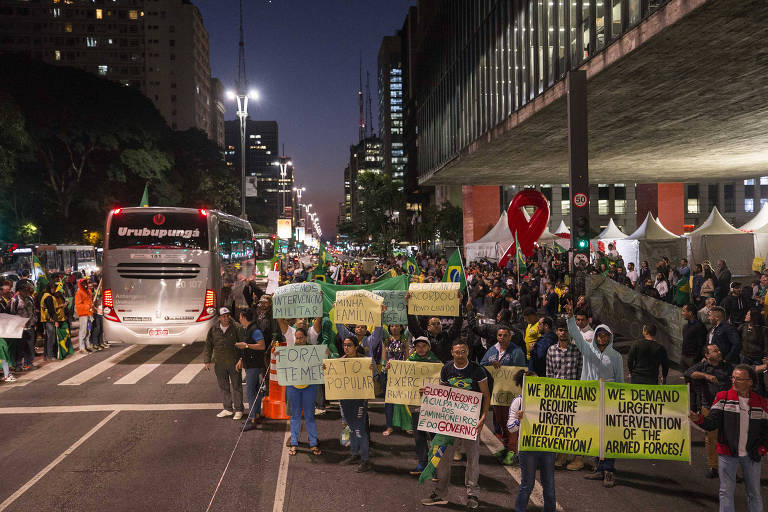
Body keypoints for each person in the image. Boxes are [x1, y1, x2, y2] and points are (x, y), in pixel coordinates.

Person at [421, 339, 490, 510]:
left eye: (463, 352)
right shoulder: (447, 369)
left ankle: (472, 493)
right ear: (452, 352)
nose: (460, 355)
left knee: (473, 459)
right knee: (444, 458)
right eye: (457, 352)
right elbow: (442, 394)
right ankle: (440, 493)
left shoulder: (477, 370)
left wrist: (482, 418)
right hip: (450, 422)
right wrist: (428, 394)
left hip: (470, 422)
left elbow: (486, 396)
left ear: (467, 352)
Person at [690, 365, 768, 512]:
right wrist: (698, 419)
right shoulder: (723, 397)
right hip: (727, 454)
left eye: (738, 379)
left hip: (751, 455)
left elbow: (766, 430)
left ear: (750, 382)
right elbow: (711, 423)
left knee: (754, 493)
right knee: (726, 492)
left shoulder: (761, 402)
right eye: (733, 377)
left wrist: (762, 448)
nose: (734, 381)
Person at [564, 299, 623, 487]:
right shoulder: (589, 351)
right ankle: (598, 467)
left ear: (610, 337)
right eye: (600, 336)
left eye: (605, 336)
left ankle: (608, 471)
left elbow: (620, 380)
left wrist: (619, 401)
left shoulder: (616, 356)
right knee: (595, 434)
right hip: (591, 398)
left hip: (609, 400)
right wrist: (571, 318)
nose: (602, 339)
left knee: (609, 436)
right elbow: (577, 335)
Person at [508, 369, 556, 512]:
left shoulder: (549, 399)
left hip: (547, 448)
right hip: (528, 450)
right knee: (527, 485)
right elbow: (511, 428)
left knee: (549, 486)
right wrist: (519, 420)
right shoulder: (518, 402)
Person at [684, 344, 734, 478]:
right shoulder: (703, 366)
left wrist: (764, 367)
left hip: (727, 407)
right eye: (715, 351)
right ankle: (714, 467)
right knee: (711, 439)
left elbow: (746, 370)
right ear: (707, 355)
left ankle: (729, 468)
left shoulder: (727, 366)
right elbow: (688, 373)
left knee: (728, 439)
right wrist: (706, 376)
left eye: (719, 350)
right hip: (709, 407)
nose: (719, 352)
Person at [480, 324, 525, 466]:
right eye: (500, 335)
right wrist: (490, 363)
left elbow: (520, 372)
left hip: (511, 393)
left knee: (511, 421)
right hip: (497, 391)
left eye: (505, 335)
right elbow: (482, 364)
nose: (502, 338)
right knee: (500, 420)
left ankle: (513, 451)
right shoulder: (492, 350)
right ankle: (506, 448)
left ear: (510, 337)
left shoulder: (516, 351)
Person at [546, 317, 584, 471]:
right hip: (557, 395)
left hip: (573, 394)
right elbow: (549, 374)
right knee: (560, 426)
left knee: (574, 427)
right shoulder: (551, 350)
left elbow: (581, 373)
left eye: (566, 330)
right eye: (561, 330)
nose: (563, 333)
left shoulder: (577, 351)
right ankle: (561, 456)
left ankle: (577, 458)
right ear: (556, 332)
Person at [336, 335, 376, 473]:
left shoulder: (364, 361)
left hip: (359, 399)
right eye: (344, 345)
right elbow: (333, 378)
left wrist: (371, 370)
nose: (346, 348)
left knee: (360, 430)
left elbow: (373, 377)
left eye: (349, 345)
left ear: (355, 346)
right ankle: (354, 453)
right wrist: (327, 369)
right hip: (345, 398)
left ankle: (365, 460)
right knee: (352, 427)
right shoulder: (340, 362)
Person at [403, 336, 441, 476]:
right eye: (417, 346)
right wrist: (390, 367)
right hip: (415, 404)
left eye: (423, 346)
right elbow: (399, 376)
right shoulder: (409, 362)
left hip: (432, 405)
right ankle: (422, 463)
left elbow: (442, 383)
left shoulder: (437, 363)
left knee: (434, 436)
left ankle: (435, 466)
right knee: (419, 435)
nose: (421, 349)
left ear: (429, 347)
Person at [283, 327, 323, 456]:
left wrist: (324, 358)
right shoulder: (289, 351)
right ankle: (294, 443)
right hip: (293, 387)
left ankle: (313, 443)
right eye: (297, 338)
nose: (299, 340)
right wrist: (278, 355)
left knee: (309, 415)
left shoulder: (313, 350)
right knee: (295, 416)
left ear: (306, 337)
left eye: (301, 337)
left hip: (309, 387)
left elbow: (320, 364)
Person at [203, 307, 246, 420]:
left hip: (234, 362)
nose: (226, 318)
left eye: (228, 315)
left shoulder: (237, 327)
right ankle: (227, 409)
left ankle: (239, 409)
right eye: (223, 316)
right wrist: (207, 361)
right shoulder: (214, 329)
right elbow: (208, 345)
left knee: (236, 386)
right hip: (220, 363)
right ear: (219, 318)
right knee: (224, 386)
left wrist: (241, 359)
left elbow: (243, 344)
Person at [236, 308, 267, 431]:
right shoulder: (249, 329)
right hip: (252, 364)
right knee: (256, 391)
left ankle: (252, 418)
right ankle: (257, 414)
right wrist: (241, 359)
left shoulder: (254, 330)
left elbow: (262, 345)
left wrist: (246, 345)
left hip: (254, 366)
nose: (239, 319)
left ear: (244, 317)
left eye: (240, 317)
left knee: (251, 392)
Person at [381, 324, 412, 436]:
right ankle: (389, 426)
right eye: (392, 326)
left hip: (401, 374)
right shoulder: (385, 338)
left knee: (404, 400)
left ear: (401, 327)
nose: (394, 328)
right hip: (386, 374)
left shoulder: (405, 338)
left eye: (397, 326)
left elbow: (412, 326)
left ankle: (407, 425)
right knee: (389, 402)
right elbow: (378, 326)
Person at [10, 281, 36, 371]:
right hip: (19, 327)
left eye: (27, 290)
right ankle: (18, 365)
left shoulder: (30, 299)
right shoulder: (15, 300)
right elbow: (12, 313)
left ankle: (29, 363)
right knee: (19, 347)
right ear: (20, 290)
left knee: (30, 346)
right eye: (24, 290)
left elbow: (33, 311)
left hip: (30, 326)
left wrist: (34, 322)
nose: (26, 292)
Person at [681, 304, 707, 369]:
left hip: (693, 359)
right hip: (684, 356)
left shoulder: (699, 326)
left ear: (690, 313)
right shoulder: (686, 326)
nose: (682, 313)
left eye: (684, 311)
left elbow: (701, 344)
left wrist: (695, 358)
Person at [74, 278, 94, 354]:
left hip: (89, 314)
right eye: (83, 283)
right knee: (83, 331)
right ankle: (82, 347)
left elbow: (90, 301)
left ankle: (87, 345)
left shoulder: (89, 292)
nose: (85, 284)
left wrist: (91, 306)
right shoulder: (79, 293)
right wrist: (88, 306)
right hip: (83, 314)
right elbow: (78, 305)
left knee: (88, 331)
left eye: (86, 282)